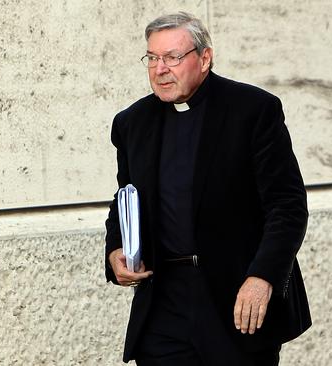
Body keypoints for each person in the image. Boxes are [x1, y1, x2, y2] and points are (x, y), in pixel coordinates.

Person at [104, 11, 311, 366]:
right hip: (163, 305)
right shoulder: (132, 123)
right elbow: (126, 198)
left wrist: (262, 276)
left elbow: (287, 206)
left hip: (235, 301)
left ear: (204, 58)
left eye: (172, 57)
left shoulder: (253, 110)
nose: (160, 68)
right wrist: (115, 249)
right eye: (152, 58)